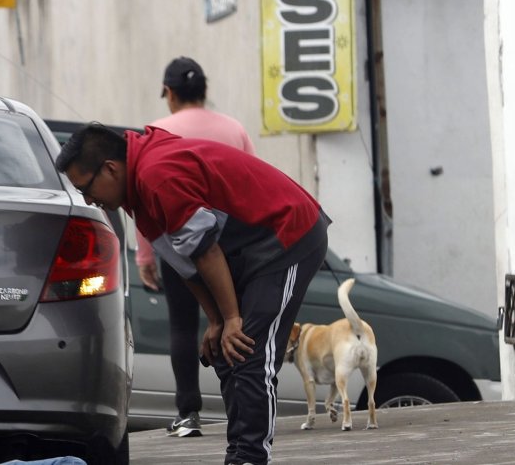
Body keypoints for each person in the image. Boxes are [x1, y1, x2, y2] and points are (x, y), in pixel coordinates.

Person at [55, 124, 329, 465]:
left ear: (110, 168)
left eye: (86, 188)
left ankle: (250, 457)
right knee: (226, 353)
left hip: (287, 236)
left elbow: (206, 252)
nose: (88, 200)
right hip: (248, 250)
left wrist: (231, 318)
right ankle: (239, 453)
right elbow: (184, 261)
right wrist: (215, 320)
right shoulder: (136, 192)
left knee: (248, 349)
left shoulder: (158, 175)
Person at [135, 56, 256, 439]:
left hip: (179, 243)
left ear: (169, 93)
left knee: (183, 327)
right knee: (238, 321)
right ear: (204, 89)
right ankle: (246, 408)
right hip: (232, 243)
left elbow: (145, 195)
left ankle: (188, 413)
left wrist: (146, 254)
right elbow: (253, 183)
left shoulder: (156, 131)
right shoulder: (234, 129)